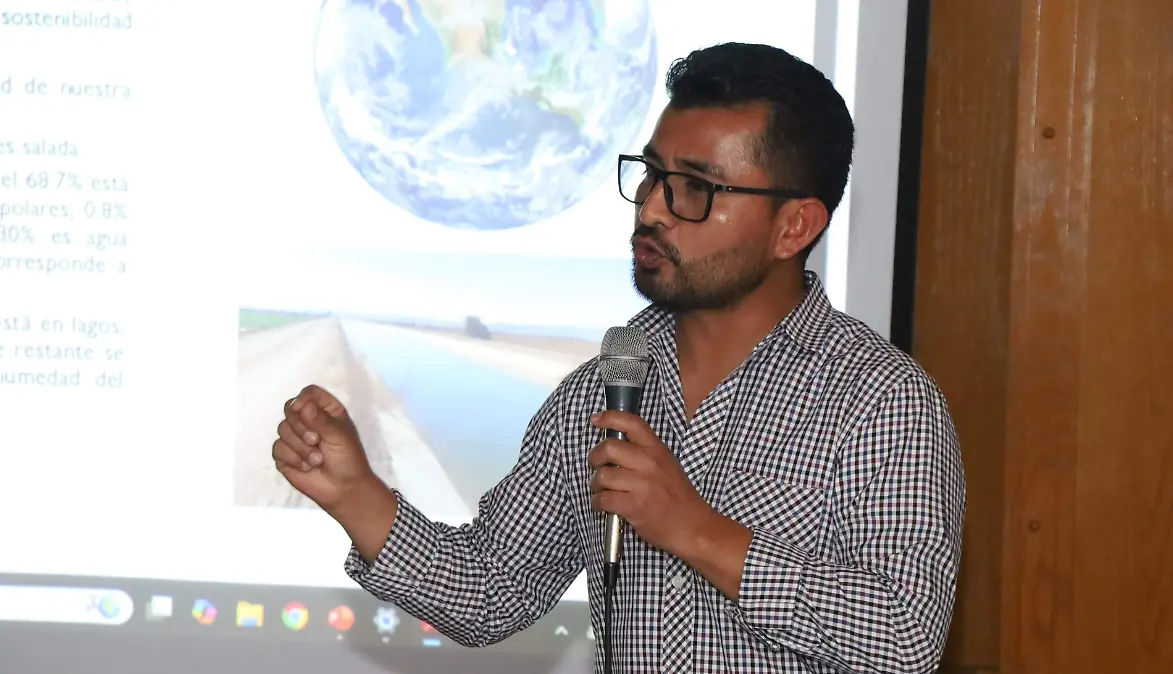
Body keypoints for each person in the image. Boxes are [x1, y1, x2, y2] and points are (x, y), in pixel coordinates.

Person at [272, 42, 965, 673]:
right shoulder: (601, 392)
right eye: (652, 174)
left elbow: (905, 637)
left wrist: (695, 530)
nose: (653, 209)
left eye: (695, 188)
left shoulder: (881, 399)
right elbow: (490, 592)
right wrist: (356, 495)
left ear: (794, 227)